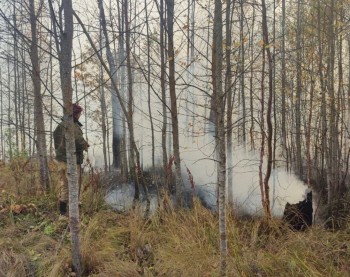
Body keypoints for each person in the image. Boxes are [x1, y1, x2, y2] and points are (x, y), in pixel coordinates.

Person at [53, 103, 89, 216]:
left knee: (64, 185)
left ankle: (62, 212)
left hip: (61, 161)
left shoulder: (61, 125)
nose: (80, 115)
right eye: (79, 113)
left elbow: (58, 142)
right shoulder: (72, 125)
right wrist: (85, 145)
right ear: (75, 114)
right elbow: (78, 141)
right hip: (72, 161)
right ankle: (74, 212)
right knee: (74, 185)